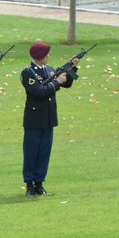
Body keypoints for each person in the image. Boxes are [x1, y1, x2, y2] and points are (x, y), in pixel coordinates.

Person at [21, 42, 79, 197]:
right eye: (46, 54)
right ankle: (29, 185)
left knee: (44, 152)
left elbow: (66, 83)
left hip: (48, 118)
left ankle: (39, 183)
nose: (48, 56)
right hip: (34, 119)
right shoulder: (28, 73)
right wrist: (56, 82)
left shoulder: (49, 69)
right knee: (31, 152)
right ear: (39, 56)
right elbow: (39, 92)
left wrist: (72, 68)